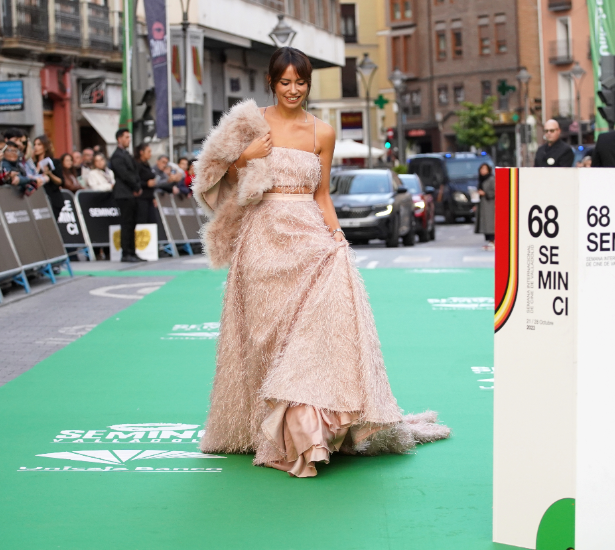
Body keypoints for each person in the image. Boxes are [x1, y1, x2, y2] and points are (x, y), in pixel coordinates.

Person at [193, 46, 449, 478]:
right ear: (272, 83)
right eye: (285, 82)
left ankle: (308, 436)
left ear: (309, 84)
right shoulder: (251, 124)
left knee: (312, 338)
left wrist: (337, 236)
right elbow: (212, 179)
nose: (293, 90)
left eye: (301, 82)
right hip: (262, 242)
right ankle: (272, 428)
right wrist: (245, 157)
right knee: (266, 341)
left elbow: (322, 195)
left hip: (311, 239)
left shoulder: (322, 133)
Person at [109, 128, 145, 263]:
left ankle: (132, 252)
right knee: (126, 223)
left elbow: (135, 173)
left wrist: (138, 186)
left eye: (129, 137)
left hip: (131, 193)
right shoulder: (117, 156)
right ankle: (126, 253)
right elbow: (124, 174)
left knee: (133, 223)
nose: (128, 140)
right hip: (123, 193)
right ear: (119, 139)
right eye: (126, 137)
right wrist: (135, 186)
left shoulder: (127, 155)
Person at [33, 135, 64, 215]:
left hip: (53, 199)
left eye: (39, 144)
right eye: (35, 144)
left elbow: (61, 181)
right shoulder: (32, 164)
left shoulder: (54, 162)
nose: (36, 147)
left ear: (46, 147)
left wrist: (50, 174)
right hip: (37, 200)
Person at [474, 162, 495, 250]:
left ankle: (493, 241)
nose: (482, 171)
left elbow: (495, 191)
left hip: (490, 204)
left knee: (490, 224)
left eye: (484, 169)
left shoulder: (491, 179)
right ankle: (490, 241)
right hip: (482, 205)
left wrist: (485, 193)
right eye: (481, 169)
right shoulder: (481, 180)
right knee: (485, 224)